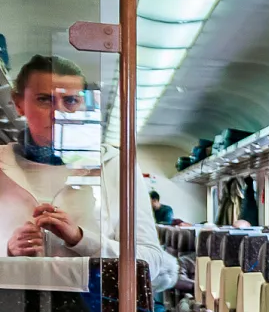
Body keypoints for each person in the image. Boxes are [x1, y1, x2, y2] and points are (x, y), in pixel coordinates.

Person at [0, 54, 175, 292]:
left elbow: (151, 263)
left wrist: (81, 239)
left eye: (70, 101)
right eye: (44, 100)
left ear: (83, 105)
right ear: (18, 103)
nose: (58, 113)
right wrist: (8, 252)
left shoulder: (115, 165)